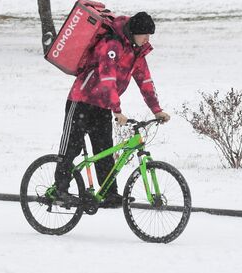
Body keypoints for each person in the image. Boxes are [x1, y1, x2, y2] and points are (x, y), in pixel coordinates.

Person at [54, 11, 170, 208]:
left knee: (105, 150)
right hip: (81, 100)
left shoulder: (136, 53)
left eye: (149, 35)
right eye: (145, 34)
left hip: (102, 106)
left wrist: (156, 110)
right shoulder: (112, 45)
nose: (147, 39)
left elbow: (145, 82)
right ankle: (59, 190)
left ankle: (109, 194)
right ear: (134, 32)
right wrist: (117, 110)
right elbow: (107, 80)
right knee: (71, 147)